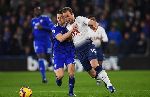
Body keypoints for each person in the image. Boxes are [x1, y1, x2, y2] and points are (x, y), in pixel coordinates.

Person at [62, 7, 115, 93]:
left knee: (94, 65)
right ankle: (103, 79)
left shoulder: (79, 19)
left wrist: (94, 24)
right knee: (93, 74)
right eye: (65, 17)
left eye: (68, 16)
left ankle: (109, 85)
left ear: (72, 14)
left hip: (88, 46)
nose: (67, 18)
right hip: (79, 52)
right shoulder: (67, 27)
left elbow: (90, 22)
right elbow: (68, 40)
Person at [52, 10, 76, 96]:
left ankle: (71, 92)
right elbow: (61, 39)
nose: (59, 19)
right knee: (61, 75)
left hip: (69, 52)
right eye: (57, 18)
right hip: (58, 53)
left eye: (61, 17)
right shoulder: (55, 28)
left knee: (71, 73)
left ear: (65, 18)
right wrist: (70, 33)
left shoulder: (70, 25)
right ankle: (58, 79)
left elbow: (75, 37)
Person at [31, 2, 54, 83]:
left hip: (47, 41)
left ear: (40, 11)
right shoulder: (33, 20)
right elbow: (33, 31)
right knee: (40, 56)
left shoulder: (46, 18)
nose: (37, 11)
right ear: (34, 11)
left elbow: (52, 28)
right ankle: (44, 78)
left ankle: (50, 61)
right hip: (38, 42)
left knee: (48, 56)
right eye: (35, 10)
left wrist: (43, 27)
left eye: (38, 10)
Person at [88, 16, 109, 85]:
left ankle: (100, 78)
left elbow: (106, 39)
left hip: (99, 48)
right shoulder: (87, 30)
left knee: (99, 64)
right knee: (93, 65)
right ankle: (97, 78)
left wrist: (101, 39)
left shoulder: (101, 29)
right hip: (91, 48)